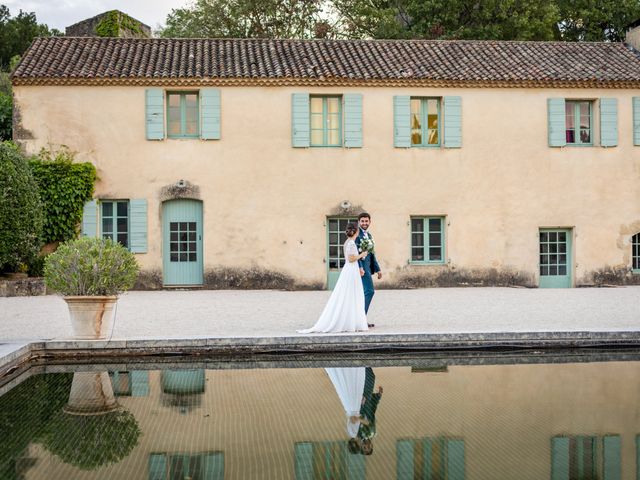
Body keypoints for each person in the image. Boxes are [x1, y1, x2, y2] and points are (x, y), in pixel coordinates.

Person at [298, 223, 369, 333]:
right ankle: (349, 322)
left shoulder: (348, 242)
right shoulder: (351, 243)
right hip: (351, 269)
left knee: (350, 294)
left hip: (350, 269)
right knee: (351, 294)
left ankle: (350, 321)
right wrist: (362, 254)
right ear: (356, 232)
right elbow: (351, 259)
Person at [355, 213, 382, 327]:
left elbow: (371, 254)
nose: (364, 223)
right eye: (362, 221)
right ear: (359, 222)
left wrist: (378, 269)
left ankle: (360, 319)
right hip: (361, 268)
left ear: (370, 222)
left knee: (362, 294)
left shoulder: (369, 236)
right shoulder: (357, 235)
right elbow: (356, 253)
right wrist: (360, 267)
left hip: (367, 266)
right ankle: (361, 320)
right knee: (369, 291)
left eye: (366, 221)